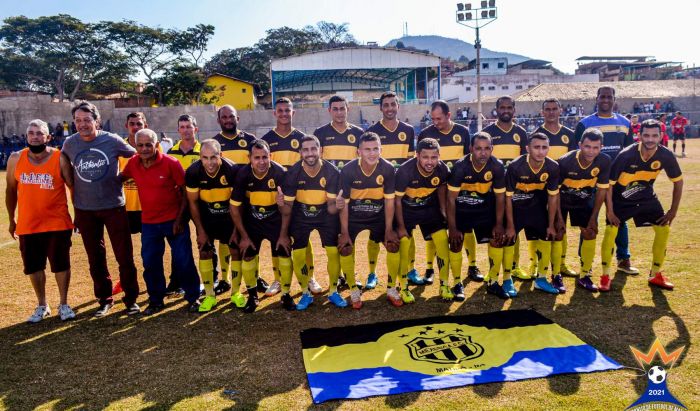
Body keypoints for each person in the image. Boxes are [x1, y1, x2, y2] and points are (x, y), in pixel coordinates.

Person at [61, 101, 140, 317]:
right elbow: (63, 164)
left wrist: (123, 177)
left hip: (114, 206)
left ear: (96, 121)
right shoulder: (70, 143)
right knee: (95, 257)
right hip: (85, 211)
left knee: (124, 256)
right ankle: (104, 299)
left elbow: (137, 156)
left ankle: (131, 298)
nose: (82, 124)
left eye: (87, 120)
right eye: (78, 120)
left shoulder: (111, 140)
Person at [121, 129, 201, 314]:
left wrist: (180, 219)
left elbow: (184, 192)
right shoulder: (133, 163)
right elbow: (120, 179)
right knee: (150, 263)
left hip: (174, 221)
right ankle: (156, 300)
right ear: (135, 146)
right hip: (149, 224)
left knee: (184, 261)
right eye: (140, 145)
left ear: (157, 144)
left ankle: (193, 298)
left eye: (149, 144)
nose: (144, 148)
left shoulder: (171, 163)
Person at [6, 119, 76, 322]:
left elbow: (72, 187)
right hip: (28, 224)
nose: (35, 136)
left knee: (61, 264)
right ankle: (42, 305)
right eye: (31, 133)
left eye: (39, 133)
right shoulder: (15, 158)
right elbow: (10, 191)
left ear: (48, 137)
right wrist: (12, 219)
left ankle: (63, 304)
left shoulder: (59, 157)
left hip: (57, 222)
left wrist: (77, 213)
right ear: (26, 136)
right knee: (33, 267)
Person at [600, 120, 683, 290]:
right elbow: (609, 185)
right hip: (621, 200)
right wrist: (610, 211)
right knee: (611, 230)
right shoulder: (626, 155)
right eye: (646, 135)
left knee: (663, 229)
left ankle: (655, 274)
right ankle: (605, 276)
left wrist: (673, 211)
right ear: (639, 135)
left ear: (661, 136)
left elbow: (678, 182)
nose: (650, 139)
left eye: (654, 135)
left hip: (646, 198)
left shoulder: (665, 155)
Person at [261, 97, 323, 296]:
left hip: (299, 196)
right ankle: (278, 279)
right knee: (276, 238)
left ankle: (310, 277)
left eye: (287, 110)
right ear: (274, 113)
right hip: (277, 198)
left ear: (293, 112)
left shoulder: (302, 138)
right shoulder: (267, 139)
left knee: (302, 238)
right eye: (280, 111)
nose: (284, 114)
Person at [574, 86, 637, 277]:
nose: (606, 100)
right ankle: (586, 261)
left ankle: (623, 258)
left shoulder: (625, 123)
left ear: (614, 99)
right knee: (587, 220)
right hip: (590, 181)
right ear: (597, 98)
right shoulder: (585, 123)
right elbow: (575, 151)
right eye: (602, 96)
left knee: (619, 219)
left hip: (616, 182)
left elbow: (630, 152)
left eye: (609, 97)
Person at [279, 135, 346, 310]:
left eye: (313, 149)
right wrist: (281, 206)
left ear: (320, 150)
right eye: (306, 150)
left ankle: (333, 291)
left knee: (332, 251)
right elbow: (288, 210)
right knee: (299, 254)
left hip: (325, 214)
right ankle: (305, 292)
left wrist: (337, 206)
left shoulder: (331, 172)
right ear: (300, 152)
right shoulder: (292, 173)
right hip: (301, 215)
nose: (310, 153)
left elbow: (331, 208)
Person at [338, 132, 401, 309]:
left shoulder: (388, 168)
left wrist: (389, 228)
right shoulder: (349, 170)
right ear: (359, 152)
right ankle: (353, 290)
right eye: (367, 150)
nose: (372, 153)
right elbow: (344, 204)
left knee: (393, 244)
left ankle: (390, 289)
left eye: (375, 149)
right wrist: (344, 232)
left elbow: (389, 200)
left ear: (381, 149)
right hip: (354, 216)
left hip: (378, 215)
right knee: (345, 248)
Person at [230, 140, 292, 313]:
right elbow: (234, 207)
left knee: (284, 251)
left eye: (265, 157)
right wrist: (244, 236)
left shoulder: (279, 172)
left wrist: (284, 234)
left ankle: (286, 295)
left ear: (270, 156)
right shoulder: (243, 174)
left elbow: (287, 210)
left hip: (275, 219)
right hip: (253, 220)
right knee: (248, 254)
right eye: (256, 158)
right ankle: (252, 297)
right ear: (249, 158)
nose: (261, 161)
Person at [447, 132, 511, 299]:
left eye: (487, 148)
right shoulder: (460, 167)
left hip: (484, 208)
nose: (483, 153)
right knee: (455, 242)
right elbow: (451, 200)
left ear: (492, 149)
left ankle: (493, 282)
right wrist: (452, 227)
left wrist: (498, 223)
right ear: (470, 149)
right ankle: (456, 283)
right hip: (462, 209)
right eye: (478, 149)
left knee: (497, 239)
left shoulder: (496, 166)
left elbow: (500, 197)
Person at [366, 92, 419, 286]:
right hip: (379, 191)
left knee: (407, 232)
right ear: (380, 108)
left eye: (392, 104)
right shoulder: (372, 131)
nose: (389, 108)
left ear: (398, 106)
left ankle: (411, 269)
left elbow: (410, 161)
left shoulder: (408, 129)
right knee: (375, 235)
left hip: (402, 192)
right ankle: (372, 273)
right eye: (385, 105)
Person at [417, 100, 472, 284]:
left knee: (465, 228)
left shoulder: (463, 132)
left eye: (439, 118)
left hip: (459, 190)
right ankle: (429, 268)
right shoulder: (425, 134)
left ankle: (472, 265)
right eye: (433, 119)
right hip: (435, 190)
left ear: (449, 115)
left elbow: (468, 161)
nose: (435, 122)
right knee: (436, 231)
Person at [186, 139, 244, 312]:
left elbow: (238, 203)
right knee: (204, 251)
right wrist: (200, 231)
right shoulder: (193, 172)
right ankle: (210, 296)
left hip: (229, 217)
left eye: (214, 157)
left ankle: (236, 292)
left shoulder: (232, 170)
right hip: (207, 218)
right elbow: (193, 204)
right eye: (205, 158)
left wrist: (236, 230)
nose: (210, 163)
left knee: (235, 249)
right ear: (200, 157)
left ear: (221, 155)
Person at [394, 138, 453, 301]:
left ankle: (444, 285)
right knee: (404, 243)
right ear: (417, 155)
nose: (430, 162)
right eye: (425, 157)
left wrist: (442, 210)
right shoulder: (405, 171)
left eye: (434, 157)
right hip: (407, 209)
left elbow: (441, 186)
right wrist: (399, 227)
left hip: (429, 208)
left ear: (439, 156)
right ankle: (404, 287)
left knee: (442, 240)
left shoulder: (442, 169)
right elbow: (396, 200)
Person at [504, 132, 561, 295]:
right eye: (536, 147)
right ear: (528, 148)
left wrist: (551, 224)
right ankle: (507, 280)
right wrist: (509, 225)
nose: (540, 151)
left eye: (544, 147)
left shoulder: (552, 167)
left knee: (547, 237)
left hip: (536, 208)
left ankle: (541, 279)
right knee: (509, 240)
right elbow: (507, 198)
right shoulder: (515, 166)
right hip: (516, 208)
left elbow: (552, 197)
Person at [555, 128, 611, 292]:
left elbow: (602, 190)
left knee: (590, 232)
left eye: (595, 147)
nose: (591, 151)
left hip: (584, 199)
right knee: (558, 233)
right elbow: (555, 193)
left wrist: (594, 216)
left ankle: (585, 275)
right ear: (580, 145)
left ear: (601, 147)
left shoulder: (604, 161)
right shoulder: (564, 161)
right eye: (587, 146)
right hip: (562, 199)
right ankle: (556, 274)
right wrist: (558, 217)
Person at [482, 96, 529, 280]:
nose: (506, 110)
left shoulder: (521, 132)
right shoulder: (487, 132)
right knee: (493, 229)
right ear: (496, 110)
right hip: (492, 190)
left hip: (513, 190)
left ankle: (514, 266)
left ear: (514, 110)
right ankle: (492, 269)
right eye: (502, 107)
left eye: (509, 107)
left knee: (513, 228)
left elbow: (525, 161)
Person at [532, 98, 577, 278]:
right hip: (541, 188)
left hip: (563, 189)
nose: (551, 112)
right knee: (538, 228)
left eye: (554, 109)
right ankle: (535, 265)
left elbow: (574, 160)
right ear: (542, 112)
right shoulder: (536, 134)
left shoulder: (569, 134)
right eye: (547, 109)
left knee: (561, 226)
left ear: (560, 110)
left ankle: (561, 263)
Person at [315, 95, 364, 169]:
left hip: (351, 179)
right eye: (335, 109)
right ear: (329, 110)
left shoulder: (359, 132)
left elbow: (363, 160)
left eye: (342, 109)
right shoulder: (320, 132)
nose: (339, 112)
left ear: (348, 109)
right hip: (329, 179)